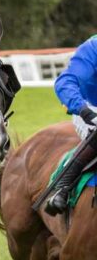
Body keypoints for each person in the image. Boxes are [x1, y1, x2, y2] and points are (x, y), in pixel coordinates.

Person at [47, 36, 97, 215]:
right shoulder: (93, 47)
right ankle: (63, 186)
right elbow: (65, 82)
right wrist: (83, 110)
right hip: (88, 110)